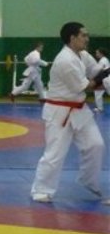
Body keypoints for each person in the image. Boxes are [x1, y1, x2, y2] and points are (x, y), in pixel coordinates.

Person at [30, 22, 106, 203]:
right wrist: (102, 78)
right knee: (55, 153)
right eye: (83, 35)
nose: (87, 39)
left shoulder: (83, 55)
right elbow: (86, 86)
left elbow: (96, 71)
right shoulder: (65, 60)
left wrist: (105, 72)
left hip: (79, 109)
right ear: (72, 38)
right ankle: (41, 190)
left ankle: (88, 180)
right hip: (59, 111)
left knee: (95, 145)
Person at [92, 48, 109, 112]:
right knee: (98, 92)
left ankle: (100, 108)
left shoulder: (103, 60)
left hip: (106, 79)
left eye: (97, 53)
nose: (96, 54)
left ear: (101, 53)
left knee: (98, 92)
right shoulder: (103, 60)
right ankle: (99, 108)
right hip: (105, 79)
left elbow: (99, 70)